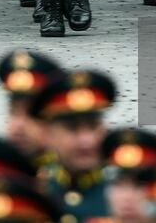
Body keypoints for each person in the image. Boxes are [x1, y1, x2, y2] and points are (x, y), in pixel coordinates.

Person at [29, 70, 116, 222]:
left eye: (94, 127)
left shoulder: (124, 192)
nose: (86, 141)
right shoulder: (33, 193)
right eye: (72, 129)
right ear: (47, 136)